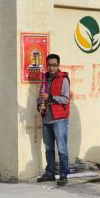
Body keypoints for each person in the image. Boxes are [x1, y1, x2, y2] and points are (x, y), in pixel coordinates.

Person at [36, 53, 71, 186]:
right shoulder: (44, 78)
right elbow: (41, 96)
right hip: (47, 118)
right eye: (49, 65)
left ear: (58, 65)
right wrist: (40, 105)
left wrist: (50, 97)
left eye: (54, 65)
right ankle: (50, 173)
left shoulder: (64, 79)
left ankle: (63, 175)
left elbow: (65, 99)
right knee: (49, 148)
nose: (51, 68)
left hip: (59, 119)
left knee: (61, 148)